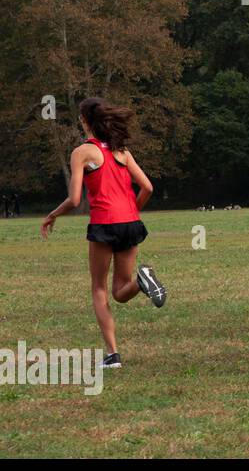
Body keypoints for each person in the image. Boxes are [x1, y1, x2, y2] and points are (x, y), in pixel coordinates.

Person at [40, 98, 167, 369]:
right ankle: (143, 282)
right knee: (122, 291)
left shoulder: (82, 152)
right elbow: (148, 188)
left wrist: (52, 215)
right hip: (131, 223)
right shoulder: (122, 151)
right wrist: (132, 213)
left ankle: (112, 355)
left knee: (99, 288)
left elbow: (75, 199)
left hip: (104, 224)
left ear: (85, 121)